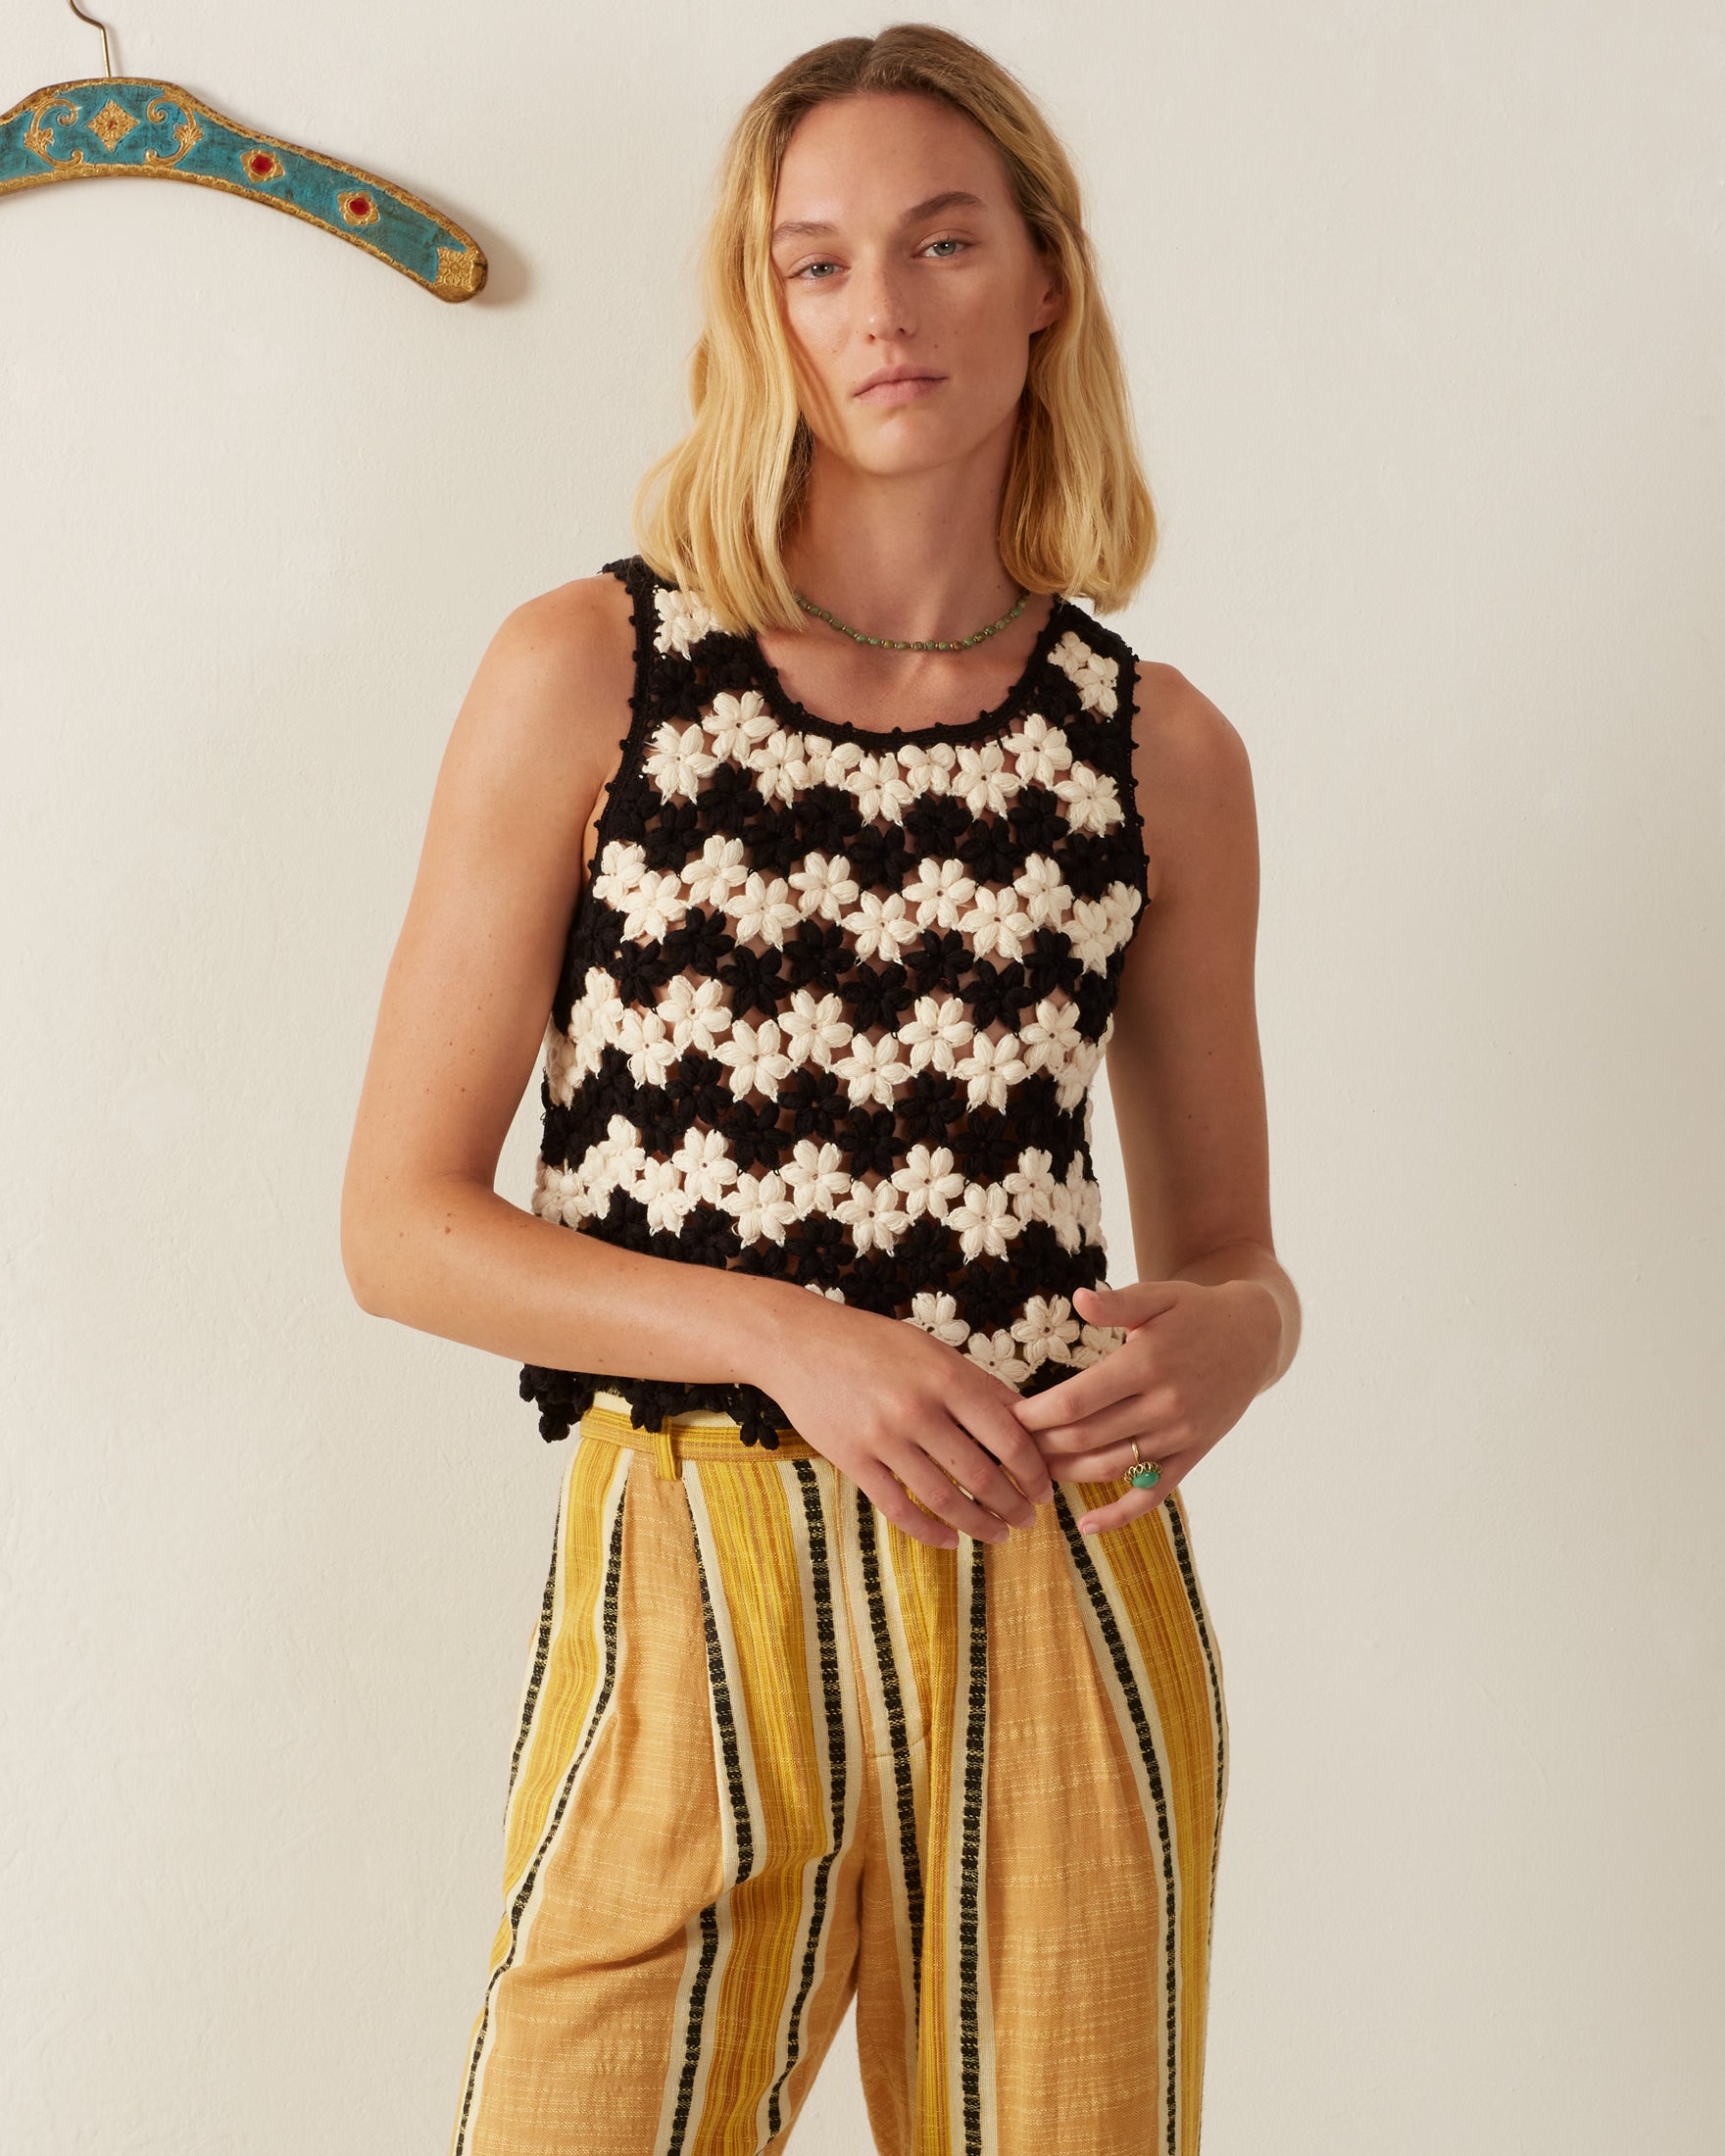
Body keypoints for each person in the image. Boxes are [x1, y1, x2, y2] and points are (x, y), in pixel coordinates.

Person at [341, 24, 1300, 2156]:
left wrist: (1243, 1332)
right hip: (685, 1577)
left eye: (942, 243)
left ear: (1042, 278)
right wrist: (791, 1338)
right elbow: (400, 1229)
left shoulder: (1158, 752)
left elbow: (1233, 1253)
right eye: (818, 262)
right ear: (759, 305)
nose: (882, 310)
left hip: (1052, 1583)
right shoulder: (591, 673)